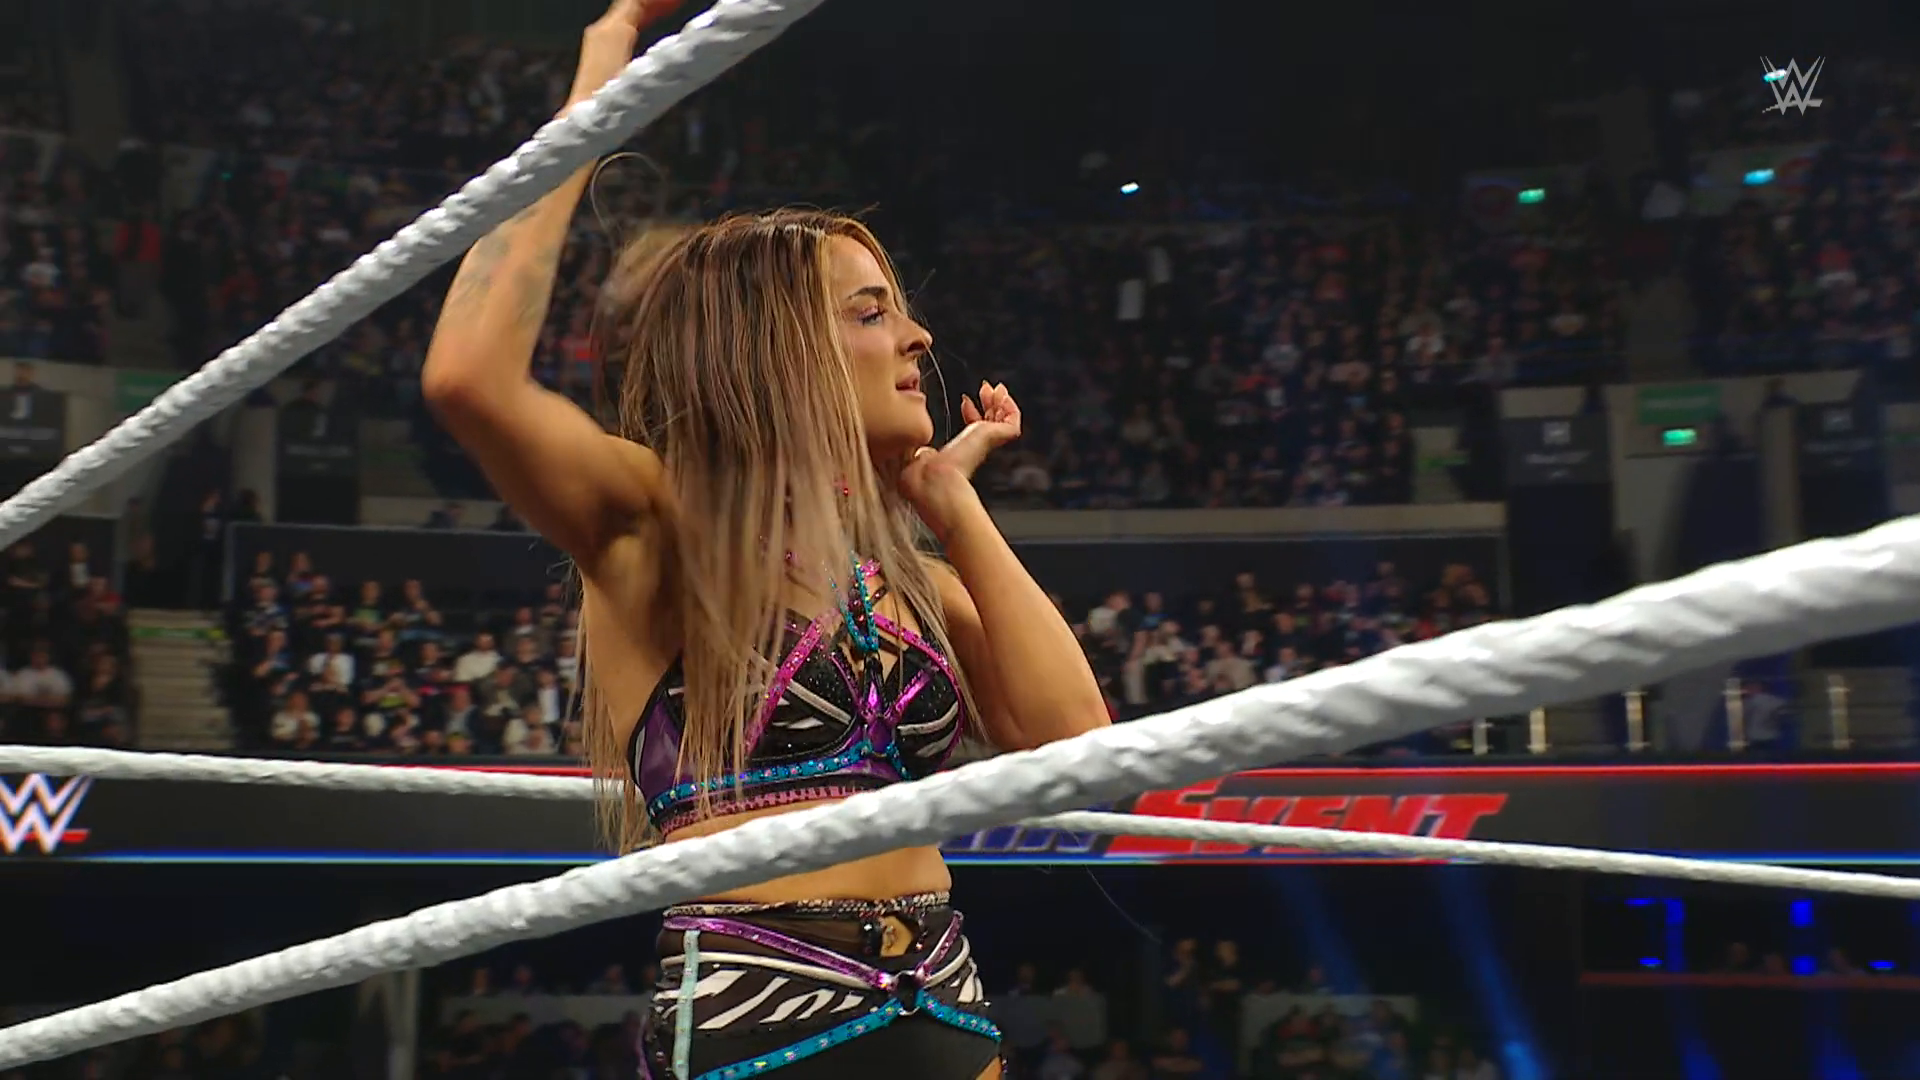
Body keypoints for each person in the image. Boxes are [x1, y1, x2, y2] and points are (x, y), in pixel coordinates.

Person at [419, 5, 1109, 1078]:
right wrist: (604, 69)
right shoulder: (658, 523)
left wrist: (949, 500)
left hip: (950, 1001)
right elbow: (469, 378)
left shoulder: (910, 580)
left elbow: (1078, 753)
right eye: (871, 313)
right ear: (774, 347)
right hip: (758, 1013)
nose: (918, 337)